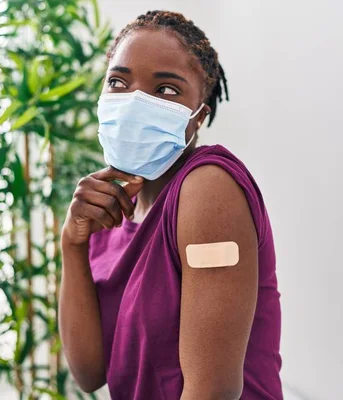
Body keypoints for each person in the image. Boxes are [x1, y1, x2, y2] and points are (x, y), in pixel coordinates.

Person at [59, 10, 283, 400]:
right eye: (118, 81)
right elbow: (90, 373)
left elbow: (212, 393)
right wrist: (72, 244)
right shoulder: (109, 209)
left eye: (165, 90)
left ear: (198, 118)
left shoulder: (208, 188)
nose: (134, 102)